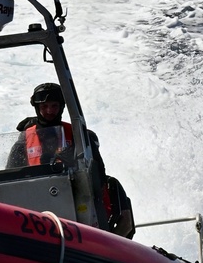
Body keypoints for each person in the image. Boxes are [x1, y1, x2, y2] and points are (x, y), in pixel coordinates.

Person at [8, 81, 135, 237]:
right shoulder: (24, 140)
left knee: (114, 187)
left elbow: (97, 176)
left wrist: (73, 162)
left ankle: (112, 248)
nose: (49, 111)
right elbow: (10, 180)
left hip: (79, 208)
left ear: (61, 106)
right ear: (37, 108)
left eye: (54, 106)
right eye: (44, 106)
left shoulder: (81, 137)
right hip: (38, 211)